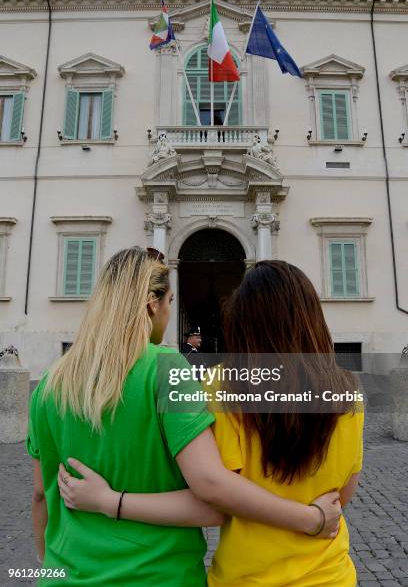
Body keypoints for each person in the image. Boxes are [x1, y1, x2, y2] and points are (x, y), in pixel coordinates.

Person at [27, 247, 341, 586]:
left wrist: (50, 564)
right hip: (159, 575)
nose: (168, 311)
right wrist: (311, 518)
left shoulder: (48, 383)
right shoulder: (166, 370)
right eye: (170, 301)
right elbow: (210, 502)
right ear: (152, 304)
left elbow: (41, 494)